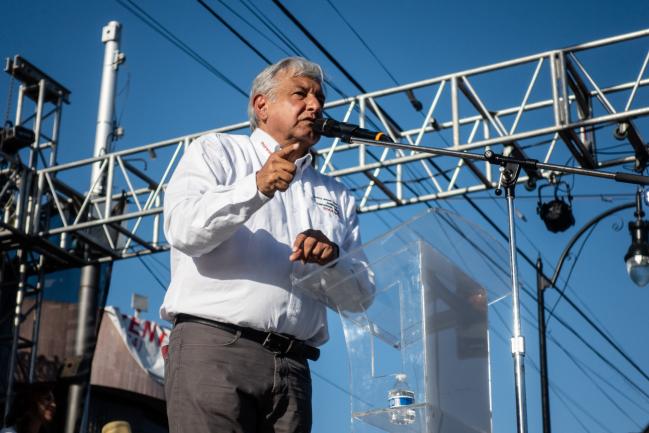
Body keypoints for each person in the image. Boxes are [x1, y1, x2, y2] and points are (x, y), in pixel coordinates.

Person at [161, 57, 371, 433]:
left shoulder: (337, 195)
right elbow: (183, 230)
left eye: (320, 97)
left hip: (294, 368)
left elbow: (361, 297)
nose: (315, 105)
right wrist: (254, 187)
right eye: (300, 94)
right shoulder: (217, 152)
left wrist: (332, 260)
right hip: (216, 350)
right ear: (262, 106)